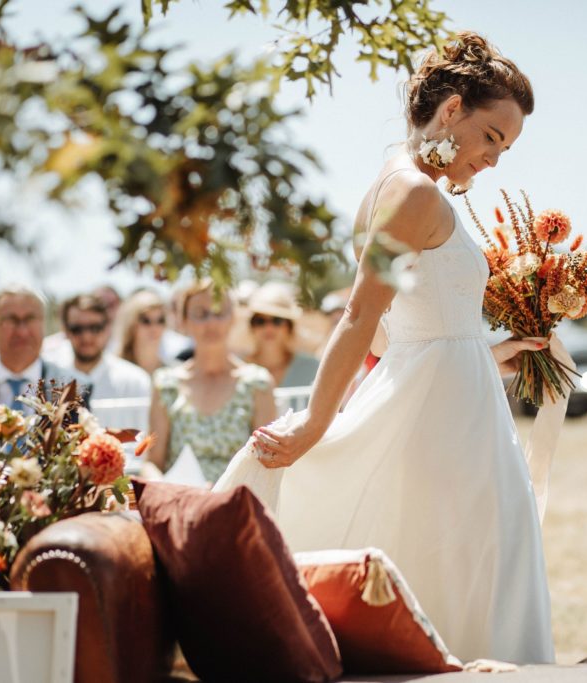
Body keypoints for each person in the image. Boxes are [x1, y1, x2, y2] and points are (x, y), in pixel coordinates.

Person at [215, 32, 556, 664]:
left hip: (452, 404)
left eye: (505, 147)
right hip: (443, 422)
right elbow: (358, 317)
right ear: (451, 109)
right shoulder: (414, 194)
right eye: (492, 137)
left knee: (468, 555)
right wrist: (318, 422)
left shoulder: (391, 188)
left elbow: (401, 332)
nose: (494, 160)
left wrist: (488, 352)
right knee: (477, 558)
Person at [147, 280, 277, 483]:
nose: (211, 322)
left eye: (219, 312)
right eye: (201, 314)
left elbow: (268, 461)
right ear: (183, 321)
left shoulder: (257, 383)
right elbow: (152, 463)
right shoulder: (165, 384)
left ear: (233, 317)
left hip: (238, 503)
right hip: (182, 503)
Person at [0, 285, 90, 410]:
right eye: (10, 320)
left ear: (43, 323)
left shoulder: (74, 390)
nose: (22, 331)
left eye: (30, 319)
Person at [53, 294, 152, 431]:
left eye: (95, 328)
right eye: (77, 329)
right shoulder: (51, 382)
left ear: (108, 328)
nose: (86, 337)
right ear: (65, 330)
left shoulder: (135, 381)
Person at [245, 282, 319, 388]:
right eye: (260, 321)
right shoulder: (237, 370)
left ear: (289, 326)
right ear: (252, 326)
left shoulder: (314, 368)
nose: (268, 328)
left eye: (277, 320)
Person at [115, 290, 171, 376]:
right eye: (146, 321)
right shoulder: (114, 370)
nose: (154, 328)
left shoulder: (172, 372)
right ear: (131, 324)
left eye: (160, 320)